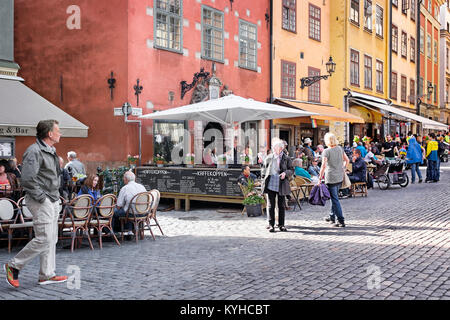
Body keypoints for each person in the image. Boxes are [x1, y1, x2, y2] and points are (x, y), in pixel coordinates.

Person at [4, 119, 68, 288]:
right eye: (58, 130)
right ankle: (13, 265)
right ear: (49, 133)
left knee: (51, 238)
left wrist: (54, 197)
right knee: (44, 237)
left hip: (52, 198)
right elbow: (27, 179)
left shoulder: (51, 150)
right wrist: (43, 198)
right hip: (41, 199)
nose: (60, 133)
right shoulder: (34, 151)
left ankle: (47, 274)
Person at [261, 138, 293, 233]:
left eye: (277, 148)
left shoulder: (286, 158)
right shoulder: (269, 157)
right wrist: (263, 179)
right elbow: (263, 169)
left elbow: (292, 170)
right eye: (274, 148)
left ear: (281, 148)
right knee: (271, 204)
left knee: (281, 205)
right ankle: (271, 225)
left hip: (281, 182)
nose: (275, 150)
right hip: (271, 181)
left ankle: (281, 225)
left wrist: (285, 173)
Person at [318, 132, 350, 228]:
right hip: (339, 176)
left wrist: (320, 177)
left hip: (331, 177)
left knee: (335, 199)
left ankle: (341, 220)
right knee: (334, 196)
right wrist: (343, 168)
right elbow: (347, 160)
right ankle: (332, 217)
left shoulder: (326, 151)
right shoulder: (340, 149)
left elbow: (323, 166)